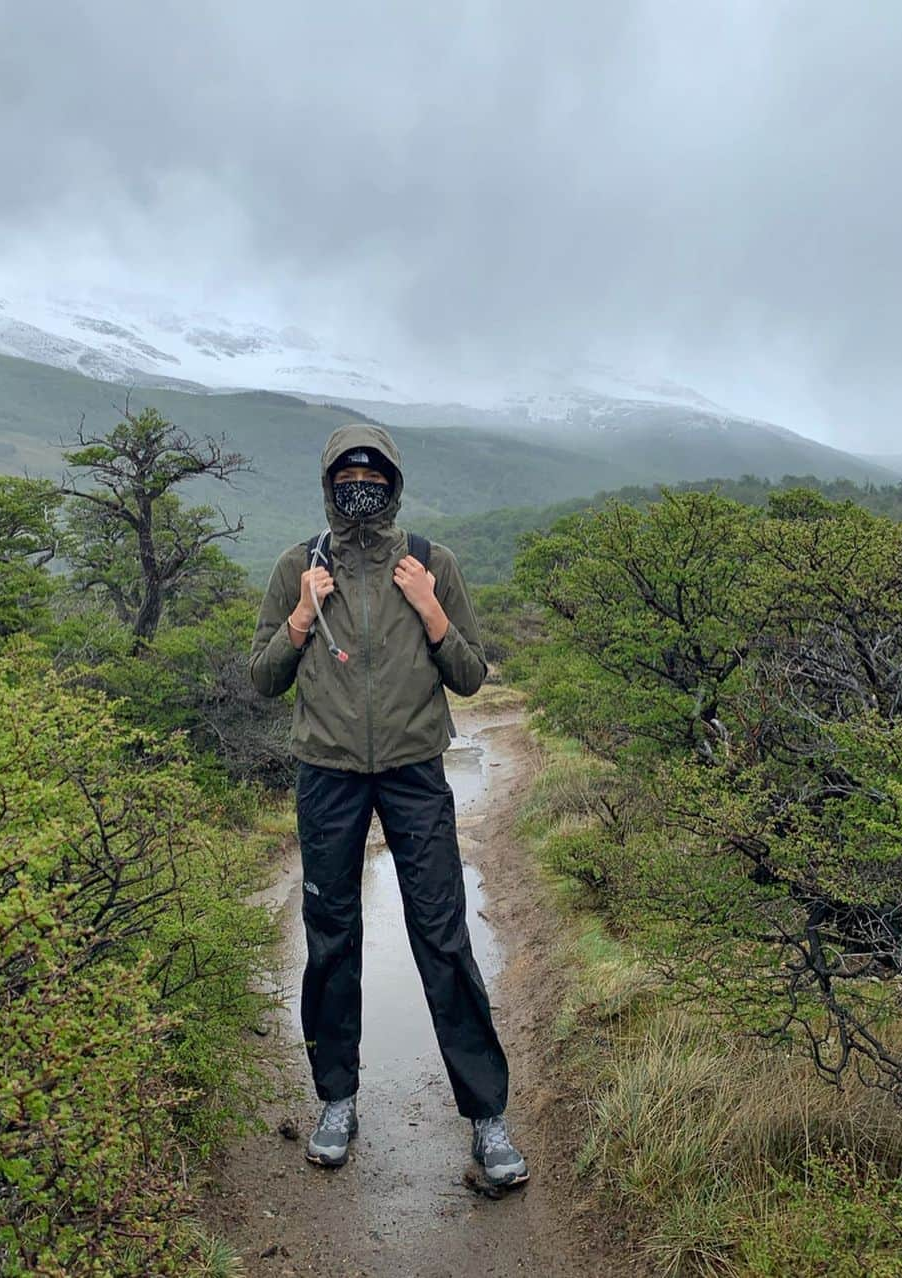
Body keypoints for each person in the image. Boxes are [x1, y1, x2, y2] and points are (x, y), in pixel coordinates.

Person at [248, 422, 528, 1188]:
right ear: (328, 483)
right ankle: (336, 1100)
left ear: (393, 482)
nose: (358, 485)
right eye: (346, 474)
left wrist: (431, 610)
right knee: (331, 938)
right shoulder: (295, 567)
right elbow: (262, 679)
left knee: (442, 936)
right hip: (328, 776)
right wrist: (302, 616)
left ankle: (487, 1118)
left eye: (371, 473)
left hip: (414, 774)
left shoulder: (432, 563)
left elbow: (471, 674)